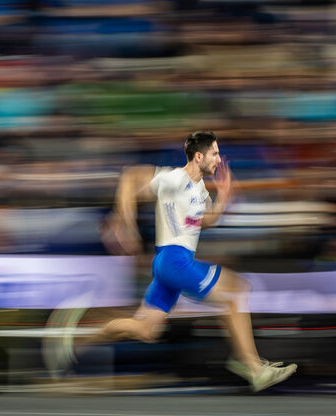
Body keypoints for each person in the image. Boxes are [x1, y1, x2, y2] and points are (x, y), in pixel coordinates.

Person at [43, 130, 297, 392]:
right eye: (215, 153)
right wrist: (125, 221)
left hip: (170, 264)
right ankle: (252, 366)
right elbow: (130, 177)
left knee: (145, 329)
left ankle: (74, 340)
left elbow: (205, 221)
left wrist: (223, 197)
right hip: (175, 261)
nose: (219, 159)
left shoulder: (199, 190)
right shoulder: (175, 178)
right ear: (199, 156)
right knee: (237, 291)